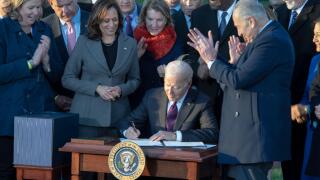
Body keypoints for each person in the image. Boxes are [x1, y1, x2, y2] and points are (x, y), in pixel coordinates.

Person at [188, 0, 294, 179]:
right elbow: (233, 81)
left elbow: (237, 80)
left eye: (238, 26)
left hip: (253, 142)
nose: (239, 33)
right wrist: (232, 64)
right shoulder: (265, 38)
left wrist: (211, 60)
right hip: (242, 142)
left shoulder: (271, 41)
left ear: (251, 21)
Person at [0, 0, 64, 178]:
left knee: (36, 172)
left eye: (38, 7)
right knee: (6, 171)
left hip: (39, 117)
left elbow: (57, 76)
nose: (36, 12)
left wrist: (47, 64)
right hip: (8, 118)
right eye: (31, 8)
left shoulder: (44, 29)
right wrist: (30, 63)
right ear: (16, 7)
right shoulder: (2, 29)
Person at [62, 0, 140, 138]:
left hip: (118, 120)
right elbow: (67, 79)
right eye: (106, 21)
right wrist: (96, 88)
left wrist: (121, 89)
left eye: (115, 20)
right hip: (87, 119)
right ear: (97, 21)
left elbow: (135, 80)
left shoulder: (131, 44)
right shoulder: (84, 42)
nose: (111, 25)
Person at [122, 59, 219, 144]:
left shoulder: (201, 101)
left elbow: (212, 133)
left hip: (185, 158)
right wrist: (128, 131)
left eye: (176, 87)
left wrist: (175, 136)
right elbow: (127, 122)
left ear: (188, 84)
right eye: (167, 84)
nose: (170, 92)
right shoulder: (152, 96)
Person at [276, 0, 320, 179]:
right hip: (292, 106)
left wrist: (307, 107)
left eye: (318, 34)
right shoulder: (280, 12)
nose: (314, 39)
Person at [189, 0, 238, 125]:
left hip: (234, 94)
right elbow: (191, 53)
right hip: (205, 97)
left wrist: (212, 64)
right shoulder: (199, 14)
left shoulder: (246, 11)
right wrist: (199, 69)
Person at [131, 0, 183, 108]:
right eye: (150, 19)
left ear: (166, 20)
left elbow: (182, 82)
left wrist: (168, 76)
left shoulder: (175, 43)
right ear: (144, 17)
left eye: (159, 20)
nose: (154, 25)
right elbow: (123, 75)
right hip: (136, 102)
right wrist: (135, 58)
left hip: (163, 105)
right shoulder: (134, 39)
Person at [42, 0, 89, 111]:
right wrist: (55, 97)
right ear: (51, 4)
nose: (66, 10)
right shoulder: (43, 27)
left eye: (69, 4)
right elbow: (40, 71)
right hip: (59, 107)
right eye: (60, 6)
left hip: (93, 103)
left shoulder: (95, 21)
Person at [298, 18, 320, 180]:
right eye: (314, 34)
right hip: (312, 131)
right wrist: (303, 108)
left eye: (318, 35)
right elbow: (308, 92)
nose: (314, 39)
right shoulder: (315, 61)